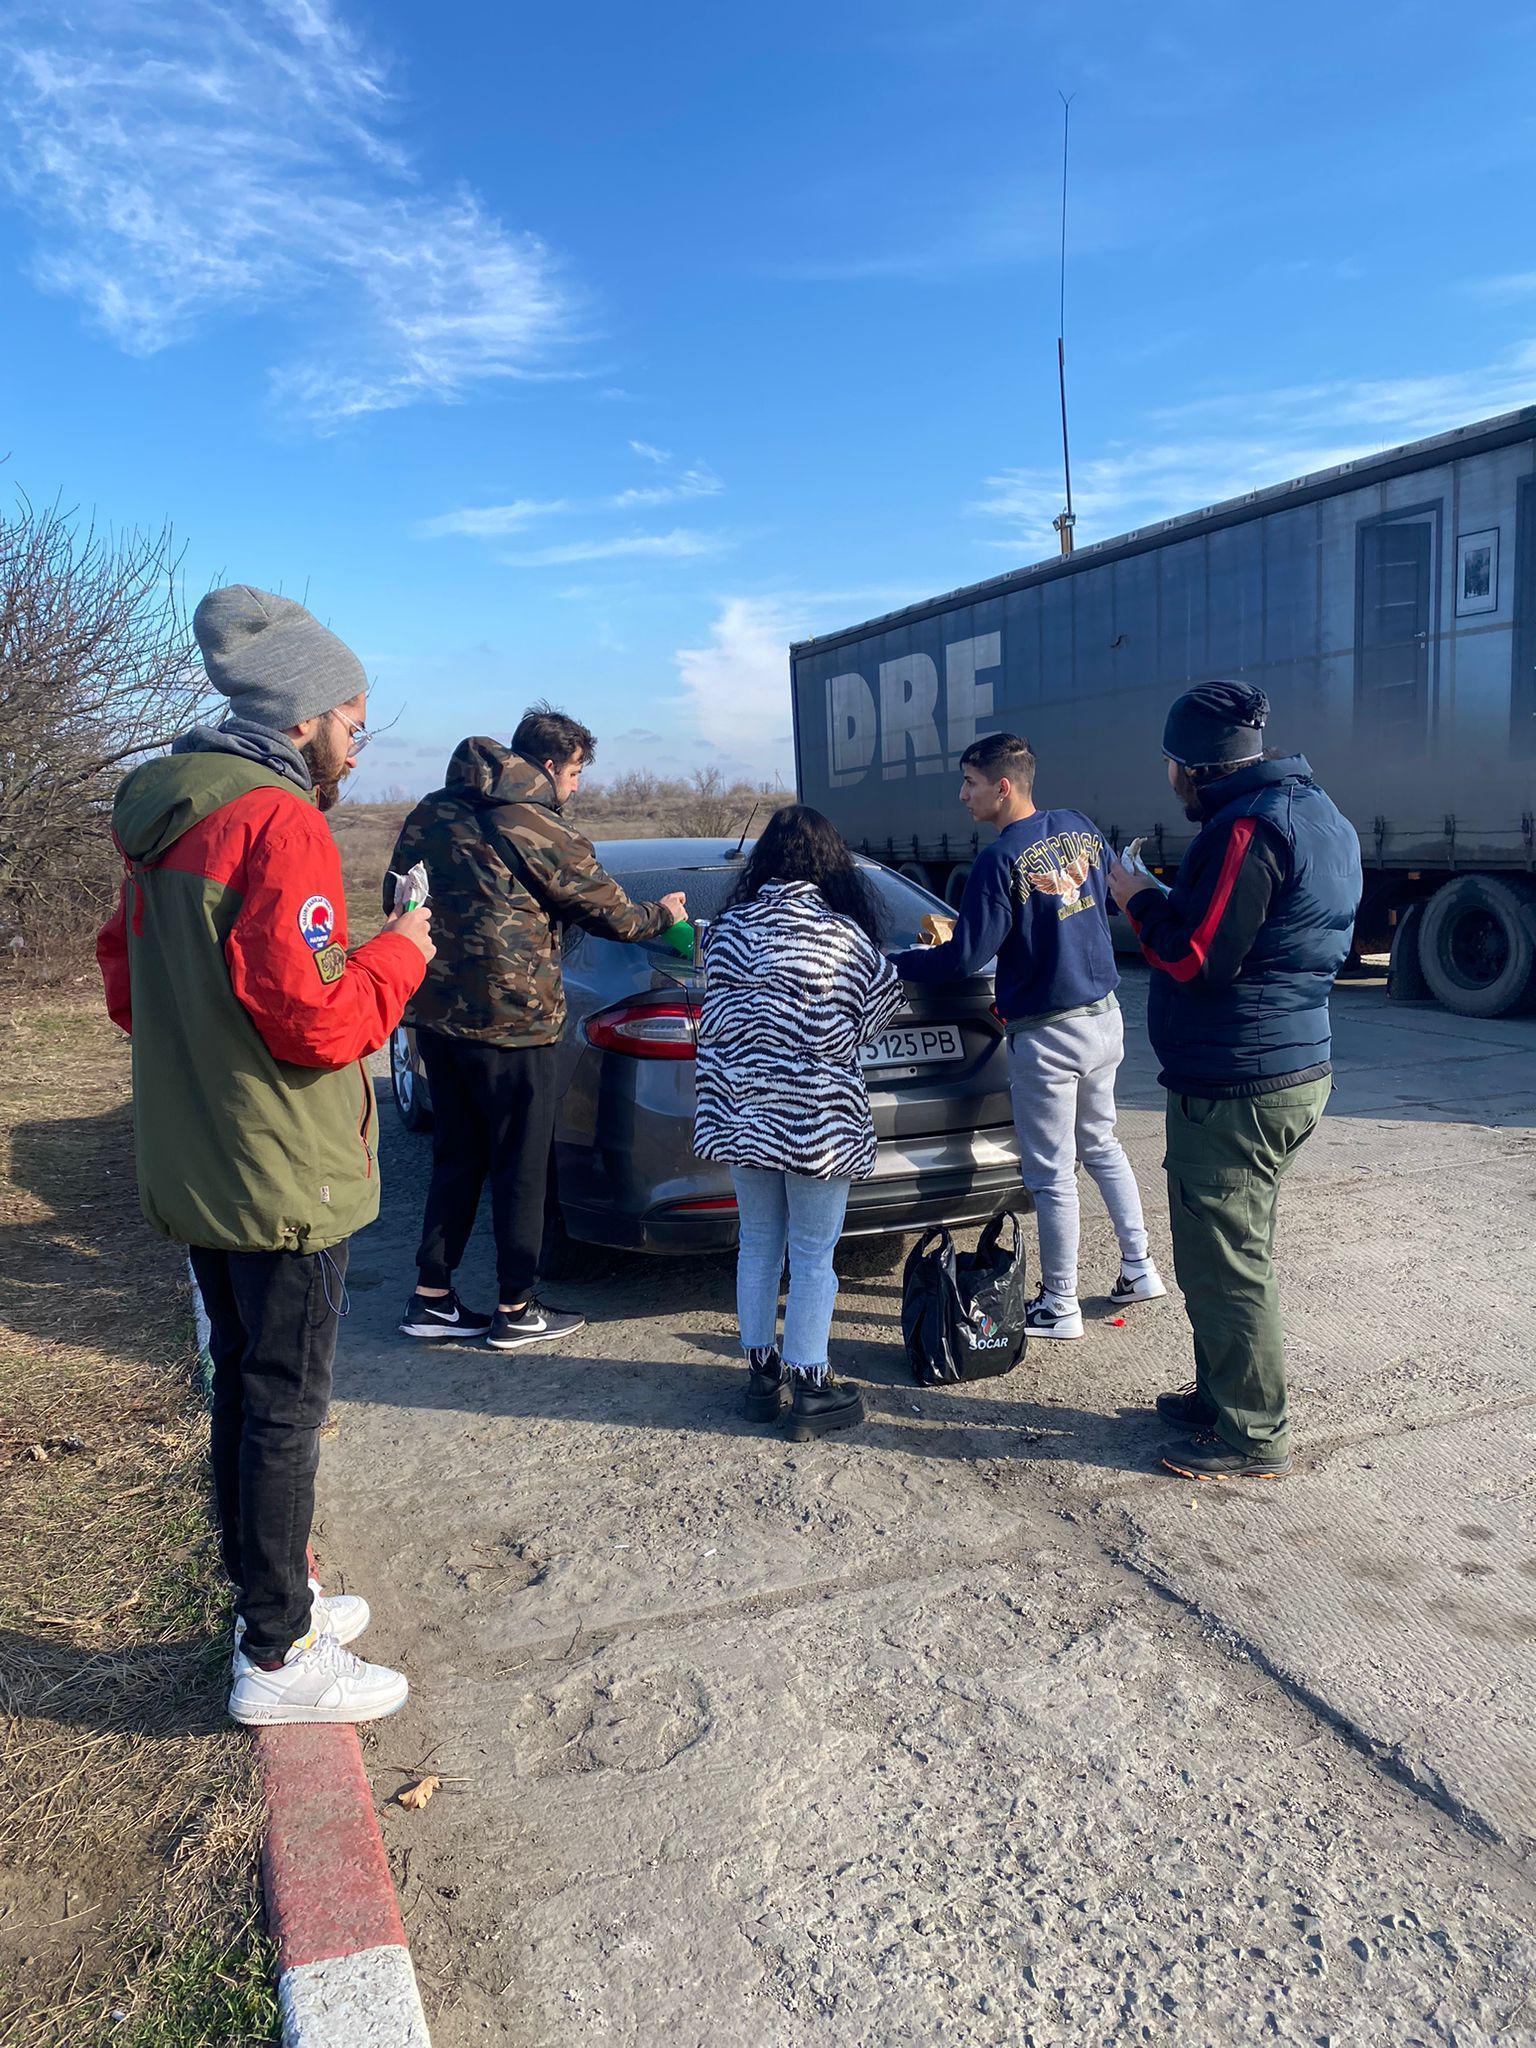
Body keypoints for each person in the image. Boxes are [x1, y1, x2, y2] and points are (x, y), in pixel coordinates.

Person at [97, 585, 433, 1726]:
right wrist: (400, 955)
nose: (356, 737)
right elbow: (322, 1022)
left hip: (197, 1161)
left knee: (244, 1389)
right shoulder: (277, 822)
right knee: (284, 1404)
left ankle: (273, 1594)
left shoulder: (166, 818)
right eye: (355, 717)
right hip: (280, 1169)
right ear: (303, 716)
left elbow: (128, 989)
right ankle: (279, 1658)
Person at [1107, 681, 1362, 1482]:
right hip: (1288, 1068)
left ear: (1194, 768)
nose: (1169, 780)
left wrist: (1136, 898)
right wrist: (1168, 894)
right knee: (1227, 1250)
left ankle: (1251, 1433)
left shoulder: (1248, 829)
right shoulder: (1320, 814)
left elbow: (1197, 959)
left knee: (1226, 1263)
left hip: (1239, 1083)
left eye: (1171, 766)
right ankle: (1222, 1394)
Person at [390, 706, 685, 1352]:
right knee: (522, 1164)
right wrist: (664, 916)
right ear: (549, 766)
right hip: (514, 1025)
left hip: (438, 1019)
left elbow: (398, 899)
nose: (577, 788)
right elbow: (613, 916)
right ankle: (515, 1305)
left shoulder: (428, 815)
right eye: (576, 773)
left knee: (457, 1155)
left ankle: (431, 1297)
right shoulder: (540, 826)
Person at [892, 732, 1163, 1340]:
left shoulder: (999, 859)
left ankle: (1060, 1304)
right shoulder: (1078, 827)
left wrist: (899, 963)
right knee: (1102, 1144)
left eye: (970, 782)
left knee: (1050, 1173)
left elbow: (964, 957)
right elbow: (1111, 899)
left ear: (1003, 786)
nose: (964, 795)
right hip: (1105, 1017)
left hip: (1048, 1034)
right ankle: (1139, 1267)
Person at [694, 805, 903, 1440]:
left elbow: (716, 1012)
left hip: (743, 1113)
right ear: (830, 863)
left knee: (757, 1244)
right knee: (814, 1253)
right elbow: (878, 1014)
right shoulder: (845, 938)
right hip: (818, 1117)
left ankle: (762, 1378)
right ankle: (812, 1384)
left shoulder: (724, 932)